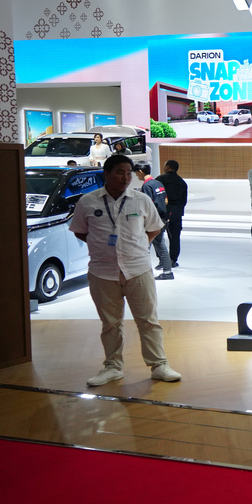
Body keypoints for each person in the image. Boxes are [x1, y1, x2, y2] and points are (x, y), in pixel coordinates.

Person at [68, 155, 182, 387]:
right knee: (110, 323)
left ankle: (159, 365)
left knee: (148, 320)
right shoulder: (88, 201)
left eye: (129, 173)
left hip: (138, 269)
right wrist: (101, 246)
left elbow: (154, 228)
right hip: (102, 272)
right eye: (120, 172)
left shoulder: (141, 200)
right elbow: (80, 230)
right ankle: (112, 367)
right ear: (107, 174)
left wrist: (138, 245)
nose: (126, 177)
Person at [134, 164, 173, 280]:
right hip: (161, 218)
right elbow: (166, 201)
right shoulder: (158, 183)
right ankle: (167, 271)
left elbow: (147, 205)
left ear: (140, 171)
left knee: (144, 247)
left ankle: (142, 272)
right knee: (160, 245)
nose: (136, 176)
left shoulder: (147, 186)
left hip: (151, 221)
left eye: (136, 173)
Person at [155, 159, 187, 268]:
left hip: (163, 212)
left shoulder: (160, 179)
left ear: (168, 167)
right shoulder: (182, 182)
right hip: (177, 213)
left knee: (158, 237)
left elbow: (157, 196)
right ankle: (173, 260)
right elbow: (184, 201)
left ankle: (162, 260)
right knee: (175, 238)